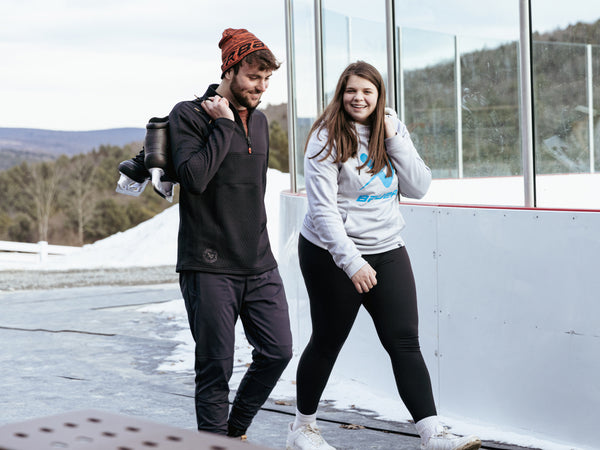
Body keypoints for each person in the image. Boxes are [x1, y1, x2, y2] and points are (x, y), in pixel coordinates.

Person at [285, 61, 481, 450]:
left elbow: (419, 186)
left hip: (388, 248)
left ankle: (432, 432)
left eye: (367, 91)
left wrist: (394, 138)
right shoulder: (325, 138)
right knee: (327, 339)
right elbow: (322, 211)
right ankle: (302, 429)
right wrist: (352, 262)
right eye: (351, 90)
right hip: (331, 252)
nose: (359, 98)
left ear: (379, 96)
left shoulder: (391, 127)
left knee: (405, 340)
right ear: (341, 94)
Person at [167, 28, 293, 439]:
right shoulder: (188, 115)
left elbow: (252, 190)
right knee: (215, 366)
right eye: (254, 77)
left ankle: (232, 432)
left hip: (258, 262)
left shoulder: (259, 123)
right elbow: (194, 178)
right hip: (208, 264)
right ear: (230, 69)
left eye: (267, 79)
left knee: (277, 351)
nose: (261, 87)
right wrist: (222, 126)